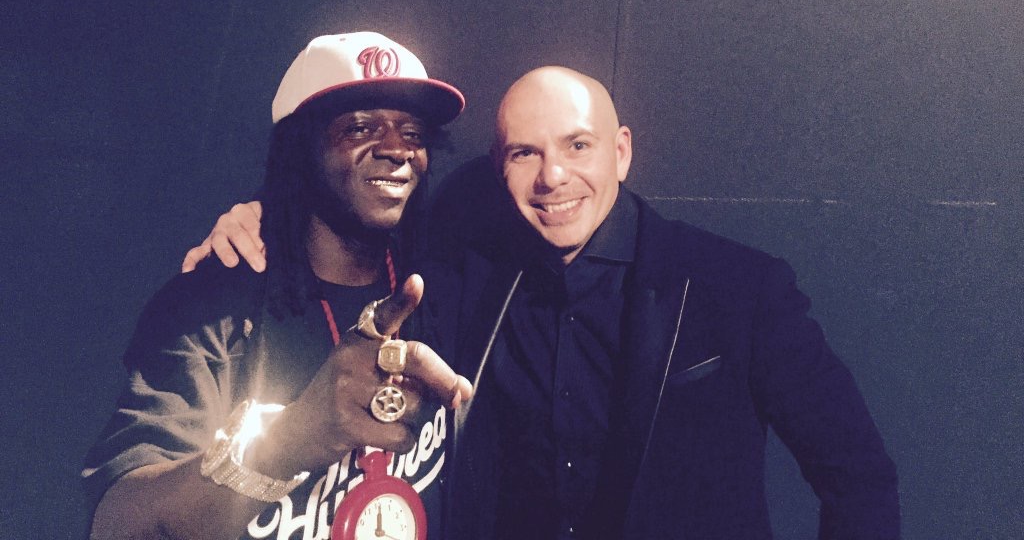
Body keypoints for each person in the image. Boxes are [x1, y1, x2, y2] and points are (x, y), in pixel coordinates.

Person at [187, 66, 901, 539]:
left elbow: (859, 477)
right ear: (501, 169)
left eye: (578, 145)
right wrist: (263, 218)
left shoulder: (738, 287)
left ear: (621, 151)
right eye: (524, 153)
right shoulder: (471, 285)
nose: (552, 176)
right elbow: (342, 229)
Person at [83, 31, 473, 540]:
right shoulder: (213, 304)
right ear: (298, 149)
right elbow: (117, 521)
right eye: (360, 127)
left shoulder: (438, 285)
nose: (397, 148)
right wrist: (290, 439)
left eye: (412, 132)